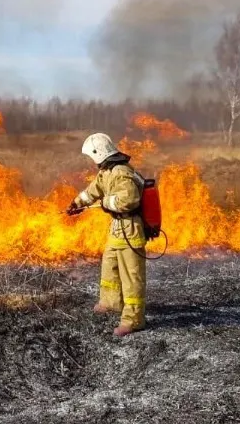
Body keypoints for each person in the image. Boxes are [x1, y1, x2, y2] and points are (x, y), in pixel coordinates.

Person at [67, 132, 147, 337]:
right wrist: (77, 203)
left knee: (131, 275)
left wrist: (106, 203)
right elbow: (95, 189)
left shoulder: (121, 172)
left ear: (98, 152)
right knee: (110, 265)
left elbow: (130, 200)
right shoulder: (106, 171)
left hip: (130, 228)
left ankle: (134, 319)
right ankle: (111, 302)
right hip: (117, 228)